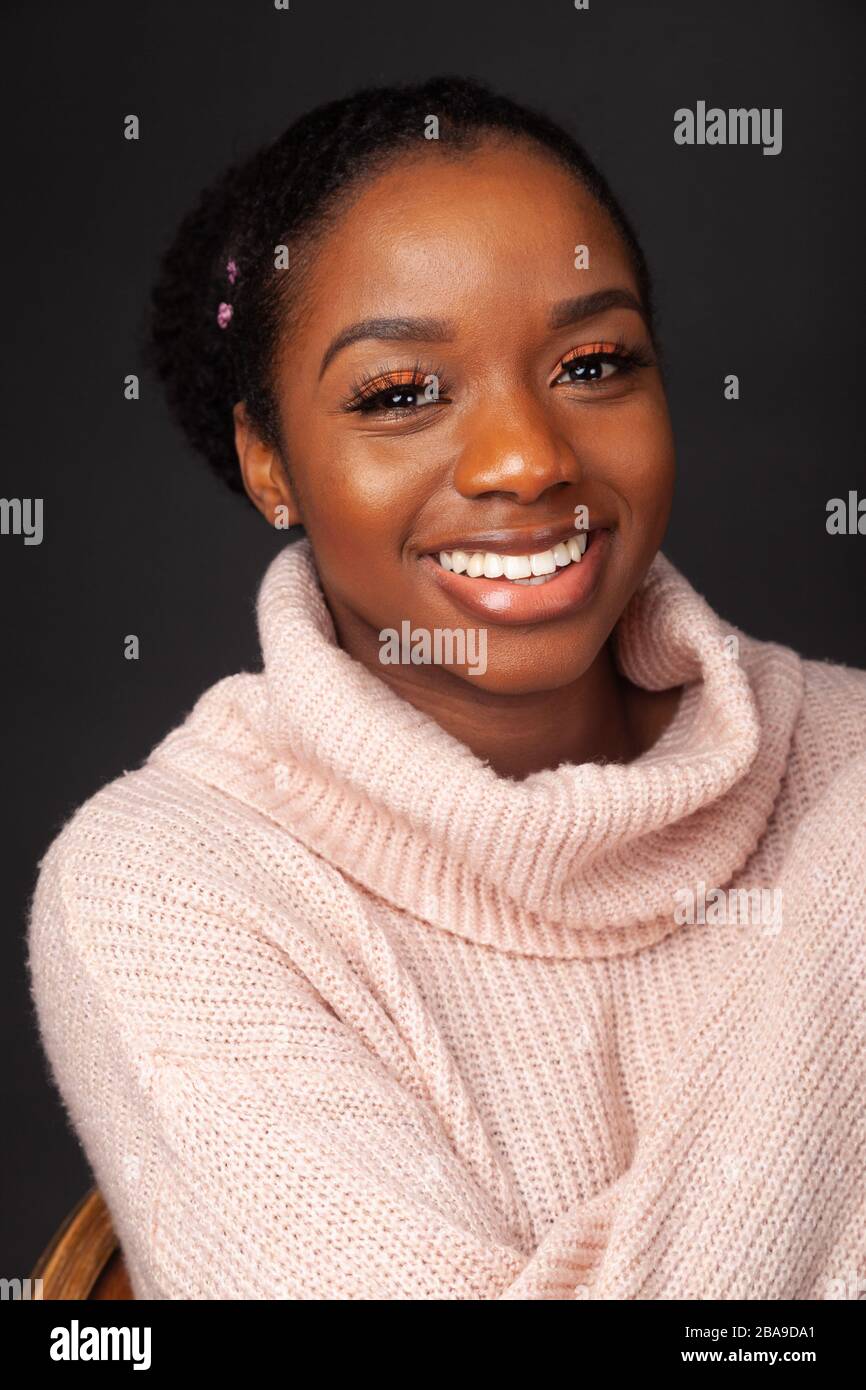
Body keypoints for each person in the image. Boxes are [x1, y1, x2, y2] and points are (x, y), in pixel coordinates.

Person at [27, 76, 866, 1300]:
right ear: (269, 459)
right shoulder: (168, 888)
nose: (526, 458)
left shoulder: (840, 759)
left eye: (592, 362)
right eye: (400, 394)